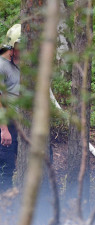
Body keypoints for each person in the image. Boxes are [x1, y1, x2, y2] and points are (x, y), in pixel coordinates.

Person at [0, 24, 21, 192]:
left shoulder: (19, 64)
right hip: (6, 126)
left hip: (21, 125)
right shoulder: (1, 65)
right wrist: (4, 129)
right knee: (5, 169)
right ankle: (5, 208)